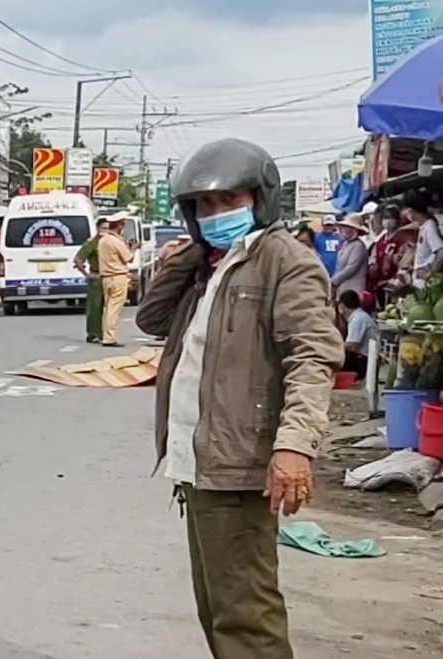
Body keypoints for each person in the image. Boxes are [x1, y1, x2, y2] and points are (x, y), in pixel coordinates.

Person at [135, 138, 343, 659]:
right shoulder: (210, 266)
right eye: (202, 206)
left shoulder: (283, 262)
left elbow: (312, 356)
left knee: (246, 619)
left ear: (259, 198)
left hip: (241, 463)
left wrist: (294, 447)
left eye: (228, 201)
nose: (214, 214)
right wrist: (187, 256)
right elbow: (151, 319)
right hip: (202, 464)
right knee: (219, 612)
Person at [97, 211, 135, 347]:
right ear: (119, 226)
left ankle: (106, 335)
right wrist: (133, 249)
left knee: (108, 308)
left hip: (106, 277)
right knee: (114, 309)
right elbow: (128, 258)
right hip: (117, 276)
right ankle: (109, 338)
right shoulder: (116, 241)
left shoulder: (103, 240)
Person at [73, 218, 108, 343]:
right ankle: (93, 334)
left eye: (108, 228)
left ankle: (107, 334)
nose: (106, 231)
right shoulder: (93, 243)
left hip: (110, 277)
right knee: (95, 308)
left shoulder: (112, 242)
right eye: (104, 228)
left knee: (110, 308)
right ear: (98, 229)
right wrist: (87, 274)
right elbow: (78, 259)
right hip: (97, 278)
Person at [404, 190, 443, 288]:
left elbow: (441, 252)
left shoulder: (430, 226)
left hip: (427, 286)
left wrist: (430, 273)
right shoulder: (423, 227)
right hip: (419, 284)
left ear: (411, 210)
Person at [338, 290, 377, 380]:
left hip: (364, 360)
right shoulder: (359, 316)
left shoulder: (357, 319)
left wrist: (333, 348)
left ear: (342, 306)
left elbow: (352, 345)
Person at [330, 213, 369, 295]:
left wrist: (333, 281)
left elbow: (351, 268)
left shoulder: (359, 246)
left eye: (350, 228)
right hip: (342, 288)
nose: (346, 230)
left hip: (353, 289)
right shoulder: (345, 244)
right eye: (345, 228)